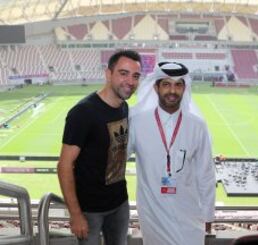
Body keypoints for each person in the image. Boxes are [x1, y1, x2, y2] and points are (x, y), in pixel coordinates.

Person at [57, 50, 142, 245]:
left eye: (135, 76)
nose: (130, 81)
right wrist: (76, 214)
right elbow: (64, 165)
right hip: (90, 211)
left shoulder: (124, 106)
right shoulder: (83, 112)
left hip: (119, 203)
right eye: (123, 73)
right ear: (108, 73)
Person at [128, 62, 216, 245]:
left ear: (185, 88)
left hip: (189, 211)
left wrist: (208, 214)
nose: (172, 91)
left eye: (178, 85)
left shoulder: (197, 125)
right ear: (156, 87)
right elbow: (117, 162)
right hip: (153, 212)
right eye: (166, 84)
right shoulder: (137, 123)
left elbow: (205, 173)